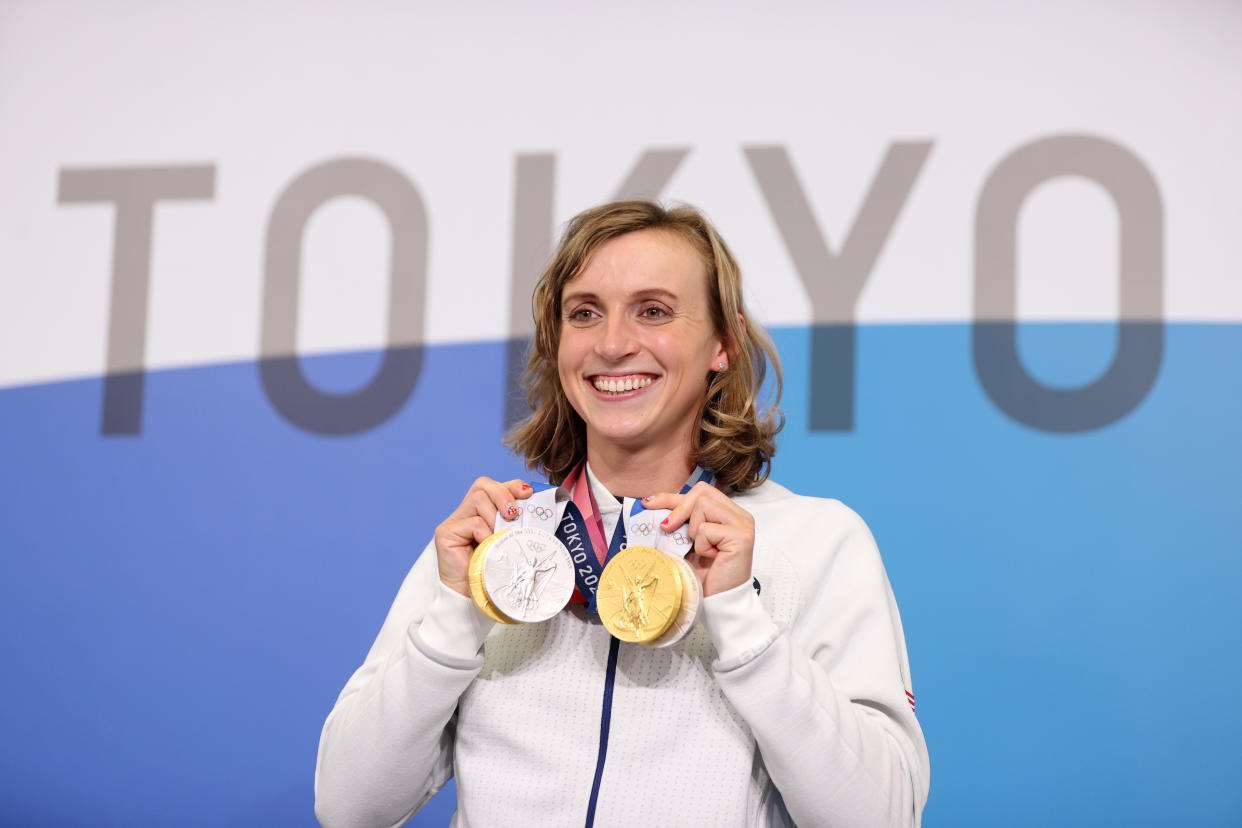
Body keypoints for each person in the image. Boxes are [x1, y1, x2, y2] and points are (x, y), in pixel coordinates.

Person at [314, 201, 930, 827]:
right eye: (585, 314)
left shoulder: (817, 542)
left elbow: (883, 816)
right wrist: (455, 616)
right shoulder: (495, 549)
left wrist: (742, 622)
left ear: (724, 342)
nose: (612, 344)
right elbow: (347, 808)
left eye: (654, 311)